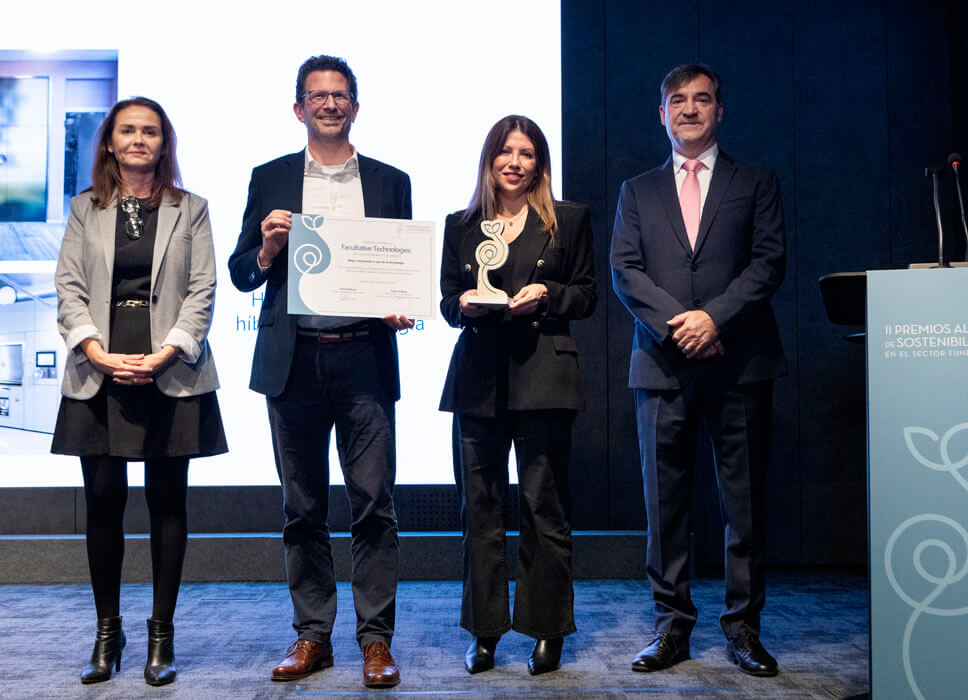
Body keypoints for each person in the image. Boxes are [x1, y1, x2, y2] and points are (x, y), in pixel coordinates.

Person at [228, 55, 411, 689]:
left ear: (355, 106)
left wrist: (400, 303)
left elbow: (400, 268)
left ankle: (376, 641)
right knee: (302, 508)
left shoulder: (390, 181)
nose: (329, 104)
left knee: (374, 505)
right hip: (294, 361)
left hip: (364, 357)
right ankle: (312, 636)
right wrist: (267, 248)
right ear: (298, 108)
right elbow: (241, 273)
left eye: (339, 95)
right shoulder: (270, 177)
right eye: (317, 96)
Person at [610, 64, 787, 677]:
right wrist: (680, 326)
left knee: (745, 507)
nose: (690, 109)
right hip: (662, 365)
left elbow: (768, 263)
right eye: (678, 100)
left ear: (719, 110)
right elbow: (625, 270)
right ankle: (671, 629)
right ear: (662, 114)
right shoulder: (637, 191)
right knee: (665, 509)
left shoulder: (756, 181)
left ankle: (744, 630)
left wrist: (714, 320)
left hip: (741, 362)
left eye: (702, 99)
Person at [52, 96, 227, 687]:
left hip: (169, 369)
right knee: (103, 501)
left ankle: (161, 636)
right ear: (109, 141)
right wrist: (95, 351)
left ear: (163, 143)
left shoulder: (191, 208)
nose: (138, 139)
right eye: (127, 130)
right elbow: (69, 287)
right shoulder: (85, 208)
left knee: (167, 503)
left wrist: (167, 352)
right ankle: (108, 633)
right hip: (99, 366)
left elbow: (203, 289)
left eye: (150, 131)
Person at [439, 115, 596, 676]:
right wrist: (462, 305)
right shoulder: (461, 225)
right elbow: (447, 299)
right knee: (479, 512)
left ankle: (546, 629)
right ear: (489, 160)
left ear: (539, 164)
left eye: (526, 153)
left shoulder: (568, 220)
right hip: (478, 381)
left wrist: (547, 294)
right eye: (505, 151)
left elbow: (586, 294)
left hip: (544, 377)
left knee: (543, 509)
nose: (514, 162)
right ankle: (484, 632)